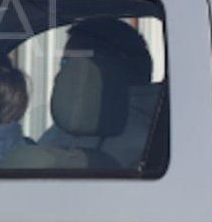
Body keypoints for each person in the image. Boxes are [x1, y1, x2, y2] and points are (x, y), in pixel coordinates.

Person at [38, 17, 161, 167]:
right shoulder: (74, 123)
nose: (61, 75)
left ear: (106, 69)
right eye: (64, 64)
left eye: (69, 63)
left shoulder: (143, 141)